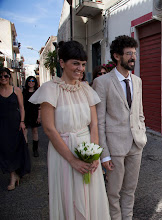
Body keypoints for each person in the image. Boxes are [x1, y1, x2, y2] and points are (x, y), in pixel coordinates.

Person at [29, 41, 110, 219]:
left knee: (90, 195)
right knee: (68, 197)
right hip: (63, 153)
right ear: (62, 62)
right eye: (75, 63)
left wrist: (95, 154)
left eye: (82, 64)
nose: (80, 68)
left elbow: (94, 124)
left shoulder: (86, 89)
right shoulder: (50, 90)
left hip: (86, 148)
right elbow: (49, 129)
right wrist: (73, 160)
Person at [93, 35, 147, 220]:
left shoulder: (137, 81)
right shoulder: (102, 82)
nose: (133, 57)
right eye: (129, 53)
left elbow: (139, 113)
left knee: (130, 190)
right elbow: (99, 121)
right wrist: (104, 154)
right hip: (114, 147)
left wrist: (142, 133)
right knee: (114, 192)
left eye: (135, 53)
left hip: (136, 144)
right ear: (117, 56)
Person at [0, 67, 31, 191]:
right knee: (5, 150)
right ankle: (12, 175)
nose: (3, 78)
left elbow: (22, 107)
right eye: (1, 76)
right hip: (2, 125)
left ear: (9, 77)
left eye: (5, 76)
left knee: (15, 148)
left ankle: (15, 175)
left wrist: (22, 122)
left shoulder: (16, 90)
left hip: (15, 124)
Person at [23, 76, 41, 157]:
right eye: (29, 81)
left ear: (35, 82)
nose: (31, 82)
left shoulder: (37, 92)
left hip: (34, 114)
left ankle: (35, 150)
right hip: (25, 114)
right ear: (27, 82)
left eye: (33, 81)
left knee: (35, 131)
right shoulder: (23, 92)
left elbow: (39, 106)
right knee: (24, 132)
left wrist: (39, 116)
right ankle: (25, 150)